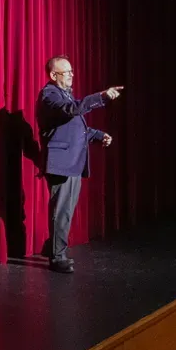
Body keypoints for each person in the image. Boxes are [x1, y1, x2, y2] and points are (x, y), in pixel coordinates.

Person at [36, 55, 122, 273]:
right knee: (61, 210)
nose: (72, 75)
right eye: (67, 72)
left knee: (66, 209)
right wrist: (101, 96)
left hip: (72, 160)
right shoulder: (50, 95)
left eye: (72, 71)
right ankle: (57, 257)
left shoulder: (66, 96)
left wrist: (98, 135)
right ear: (53, 75)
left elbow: (75, 128)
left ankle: (52, 246)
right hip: (61, 162)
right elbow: (70, 111)